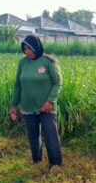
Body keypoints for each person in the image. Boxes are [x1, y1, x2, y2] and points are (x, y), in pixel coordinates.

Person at [9, 35, 63, 174]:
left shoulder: (48, 62)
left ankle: (55, 163)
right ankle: (37, 160)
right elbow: (17, 86)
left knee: (51, 135)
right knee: (33, 136)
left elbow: (58, 83)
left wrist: (50, 101)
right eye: (25, 49)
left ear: (37, 47)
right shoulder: (23, 63)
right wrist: (13, 105)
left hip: (46, 107)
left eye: (29, 48)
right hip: (28, 106)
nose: (27, 51)